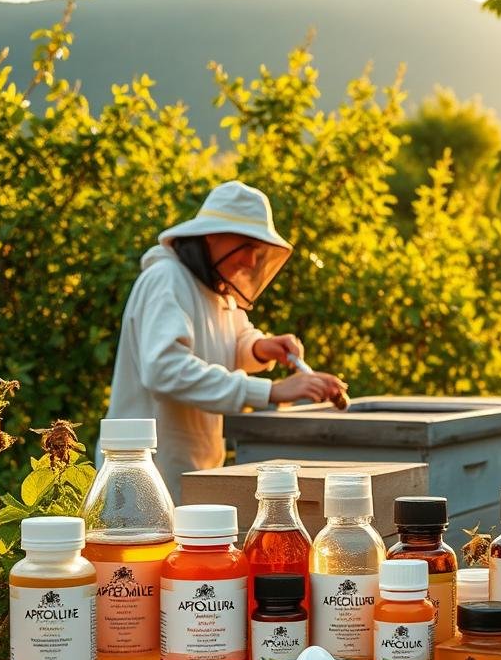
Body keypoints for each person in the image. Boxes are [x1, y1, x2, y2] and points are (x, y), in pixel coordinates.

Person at [105, 180, 346, 501]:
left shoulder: (218, 292)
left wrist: (259, 348)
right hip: (142, 482)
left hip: (190, 475)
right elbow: (164, 370)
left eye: (257, 252)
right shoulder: (166, 280)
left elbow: (232, 338)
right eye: (245, 246)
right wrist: (270, 391)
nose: (250, 262)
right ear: (212, 235)